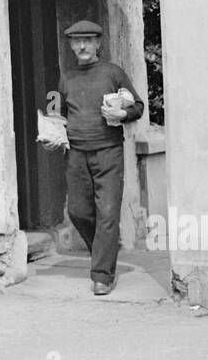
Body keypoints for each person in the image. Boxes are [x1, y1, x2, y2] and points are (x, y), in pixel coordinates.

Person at [59, 19, 145, 295]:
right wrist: (53, 132)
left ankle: (102, 276)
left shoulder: (113, 73)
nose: (82, 46)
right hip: (76, 153)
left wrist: (123, 114)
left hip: (108, 152)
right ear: (72, 45)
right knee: (78, 212)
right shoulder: (66, 77)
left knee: (107, 213)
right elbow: (55, 112)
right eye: (76, 41)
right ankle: (104, 247)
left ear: (98, 44)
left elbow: (138, 105)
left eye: (88, 41)